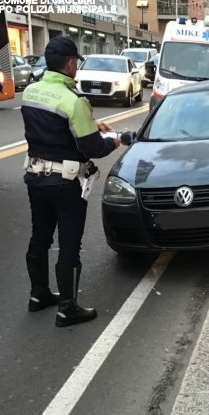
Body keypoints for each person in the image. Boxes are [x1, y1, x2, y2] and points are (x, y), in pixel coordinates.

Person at [21, 36, 121, 327]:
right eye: (76, 61)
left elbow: (55, 128)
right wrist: (113, 141)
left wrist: (90, 124)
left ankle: (38, 295)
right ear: (70, 63)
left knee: (39, 236)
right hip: (65, 184)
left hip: (35, 176)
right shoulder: (73, 100)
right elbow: (92, 148)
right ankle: (67, 307)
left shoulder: (30, 92)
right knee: (69, 244)